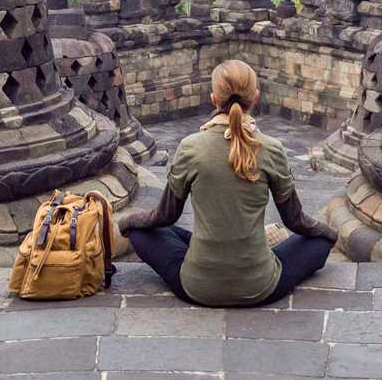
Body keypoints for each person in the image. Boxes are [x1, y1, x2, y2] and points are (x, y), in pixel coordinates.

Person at [117, 59, 338, 306]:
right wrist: (329, 233)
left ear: (213, 99)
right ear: (255, 97)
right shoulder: (271, 149)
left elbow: (164, 217)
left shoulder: (190, 147)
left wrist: (127, 222)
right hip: (260, 284)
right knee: (319, 243)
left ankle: (212, 248)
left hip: (197, 285)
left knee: (142, 232)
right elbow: (296, 221)